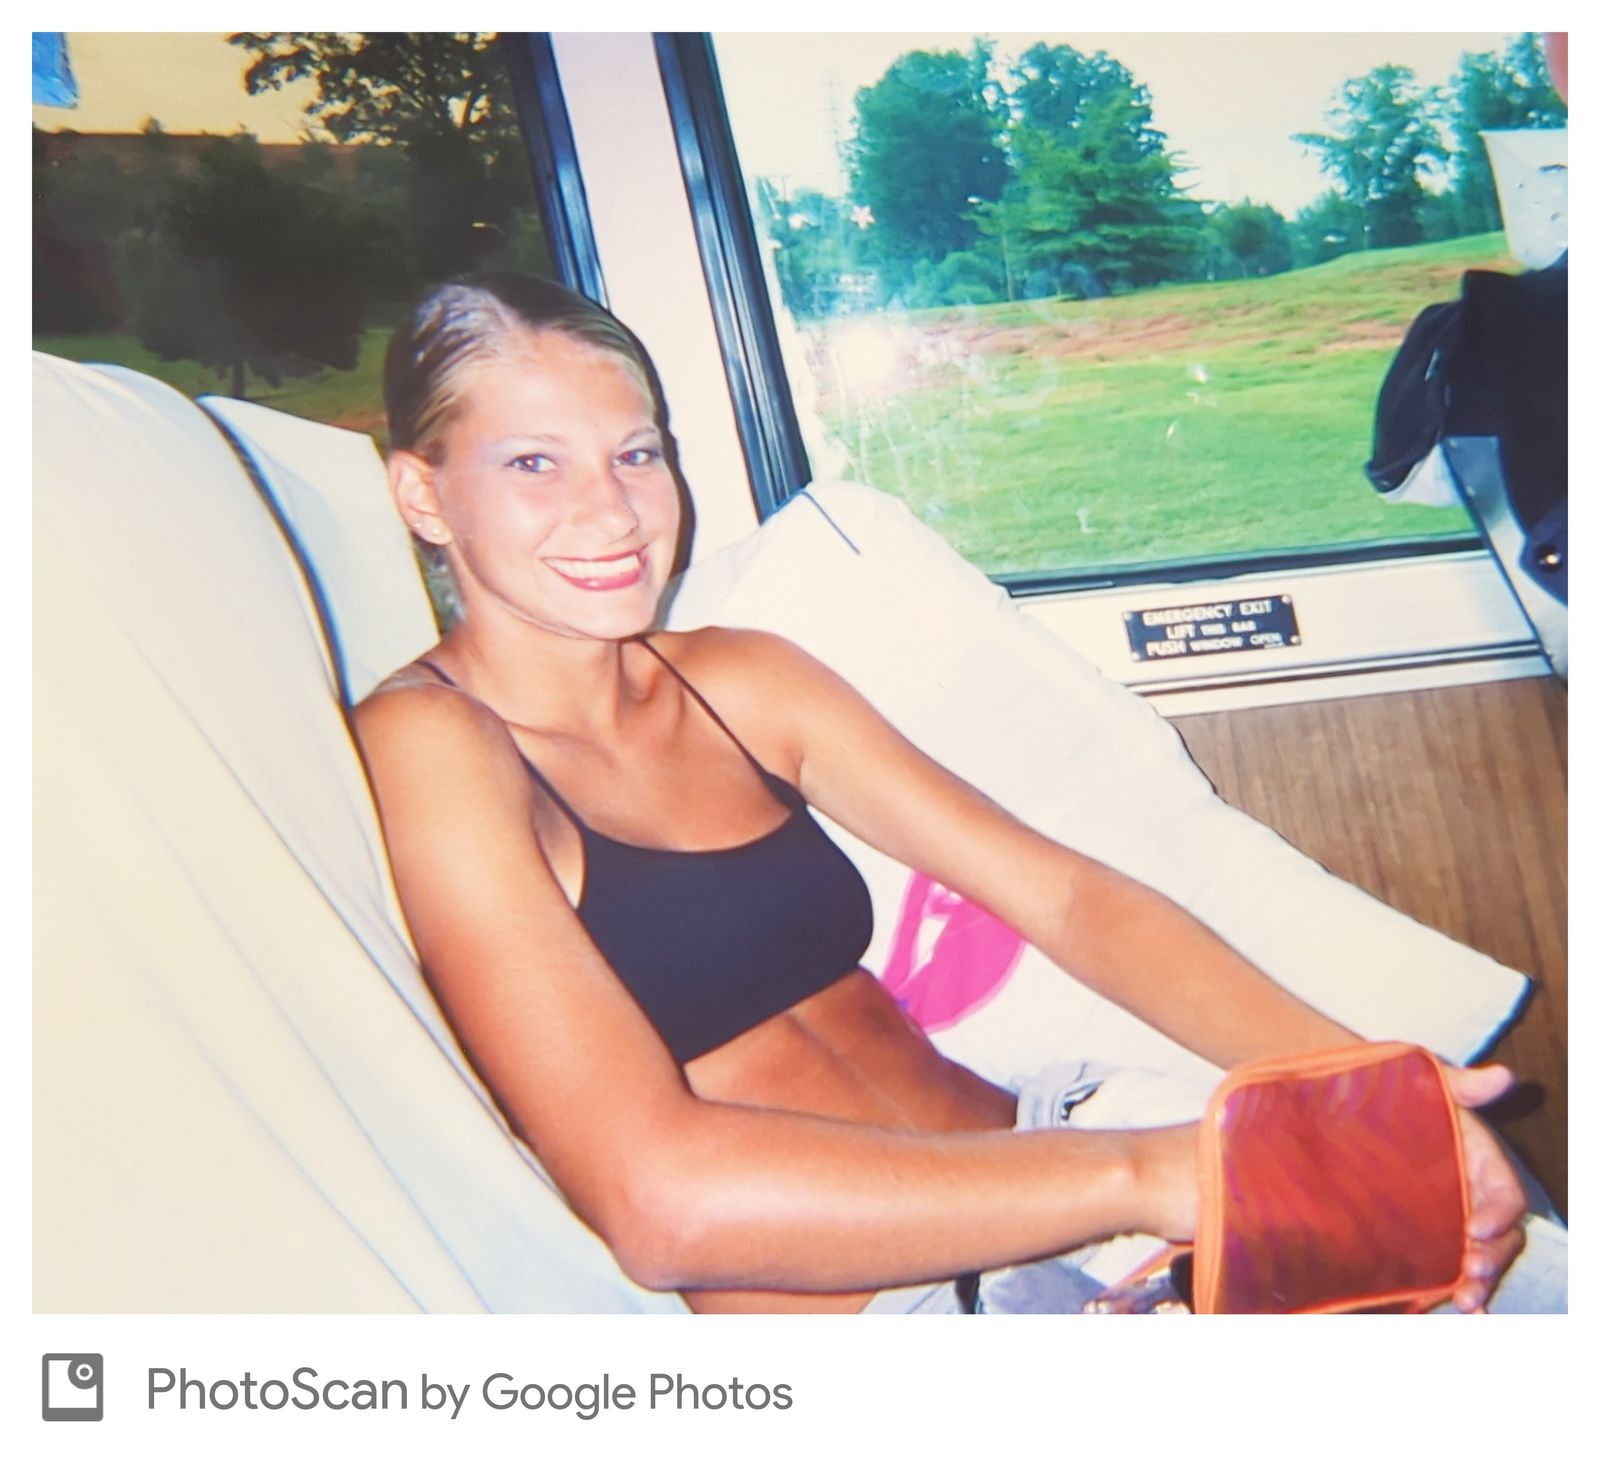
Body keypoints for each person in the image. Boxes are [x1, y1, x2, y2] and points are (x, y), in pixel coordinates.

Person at [353, 274, 1528, 1314]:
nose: (612, 511)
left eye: (636, 452)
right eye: (532, 462)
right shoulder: (433, 742)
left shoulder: (737, 678)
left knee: (1514, 1279)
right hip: (899, 1310)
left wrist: (1364, 1090)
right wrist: (1156, 1172)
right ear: (422, 495)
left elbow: (1064, 898)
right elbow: (660, 1203)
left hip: (1047, 1155)